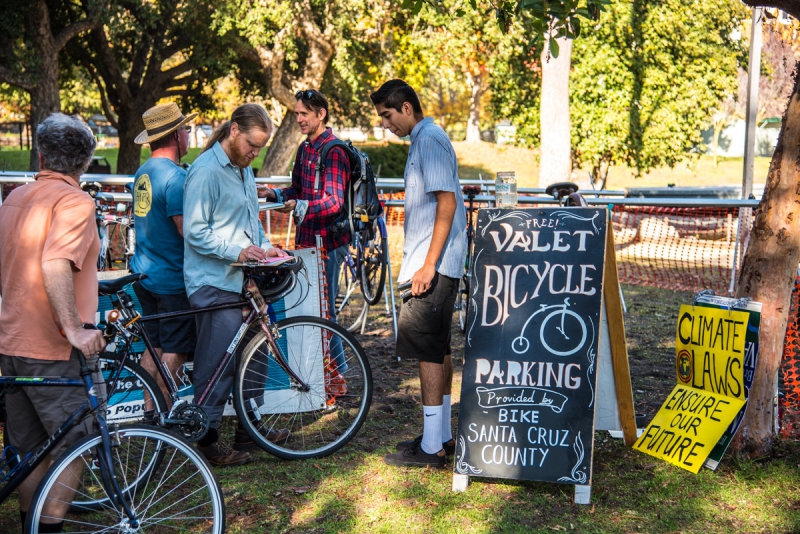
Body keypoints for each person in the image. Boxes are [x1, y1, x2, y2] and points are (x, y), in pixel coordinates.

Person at [0, 113, 107, 530]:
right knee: (78, 443)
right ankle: (48, 528)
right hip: (54, 349)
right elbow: (56, 262)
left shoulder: (15, 197)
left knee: (29, 452)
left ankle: (32, 523)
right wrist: (75, 328)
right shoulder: (75, 202)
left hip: (12, 341)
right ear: (85, 162)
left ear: (41, 153)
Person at [183, 103, 290, 467]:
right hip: (213, 282)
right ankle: (206, 440)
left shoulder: (243, 169)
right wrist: (240, 252)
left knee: (256, 353)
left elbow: (249, 219)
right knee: (216, 364)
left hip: (240, 279)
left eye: (260, 147)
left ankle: (250, 428)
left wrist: (264, 246)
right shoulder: (205, 171)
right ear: (233, 131)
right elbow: (196, 232)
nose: (255, 153)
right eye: (251, 145)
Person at [371, 80, 467, 468]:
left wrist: (428, 264)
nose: (385, 124)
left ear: (407, 107)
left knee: (427, 350)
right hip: (435, 261)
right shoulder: (423, 139)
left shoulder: (429, 139)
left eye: (387, 115)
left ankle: (431, 450)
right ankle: (439, 436)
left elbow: (447, 200)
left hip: (435, 264)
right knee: (438, 347)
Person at [262, 89, 350, 378]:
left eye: (304, 114)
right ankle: (321, 373)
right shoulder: (304, 149)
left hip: (329, 243)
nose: (298, 119)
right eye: (296, 114)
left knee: (325, 310)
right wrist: (273, 193)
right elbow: (297, 191)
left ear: (320, 114)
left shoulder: (335, 150)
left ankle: (337, 375)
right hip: (306, 241)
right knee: (312, 307)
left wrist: (298, 205)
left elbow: (334, 202)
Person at [130, 102, 198, 416]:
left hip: (145, 275)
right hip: (171, 280)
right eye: (185, 129)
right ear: (174, 135)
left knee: (153, 347)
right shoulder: (176, 177)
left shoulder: (142, 173)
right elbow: (188, 232)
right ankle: (164, 415)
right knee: (174, 350)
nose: (188, 134)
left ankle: (148, 411)